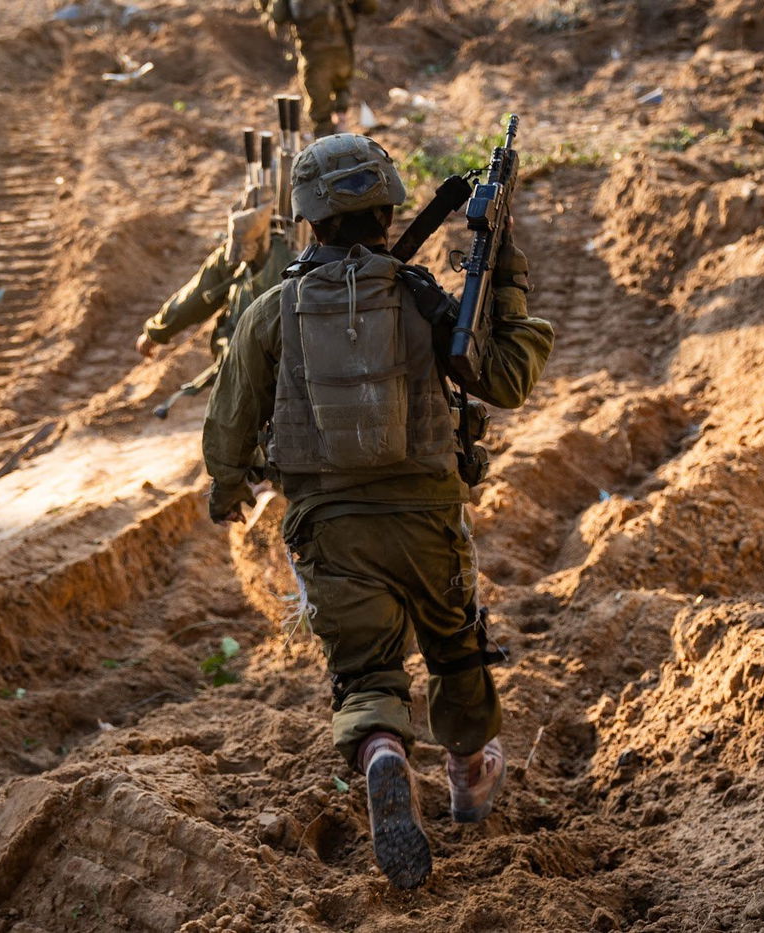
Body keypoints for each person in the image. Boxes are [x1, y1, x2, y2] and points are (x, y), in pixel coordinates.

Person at [202, 133, 553, 887]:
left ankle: (383, 751)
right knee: (456, 646)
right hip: (427, 517)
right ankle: (467, 771)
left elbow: (230, 420)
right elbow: (507, 374)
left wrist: (228, 489)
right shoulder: (425, 299)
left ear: (308, 219)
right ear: (389, 208)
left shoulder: (273, 310)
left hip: (328, 528)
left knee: (365, 673)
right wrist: (508, 275)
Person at [136, 185, 293, 378]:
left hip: (249, 371)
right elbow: (196, 298)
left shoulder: (235, 260)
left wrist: (155, 333)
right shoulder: (312, 252)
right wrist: (156, 332)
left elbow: (195, 298)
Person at [260, 0, 378, 136]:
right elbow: (369, 8)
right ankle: (341, 125)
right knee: (341, 93)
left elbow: (278, 16)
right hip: (342, 55)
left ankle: (329, 144)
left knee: (321, 120)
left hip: (316, 60)